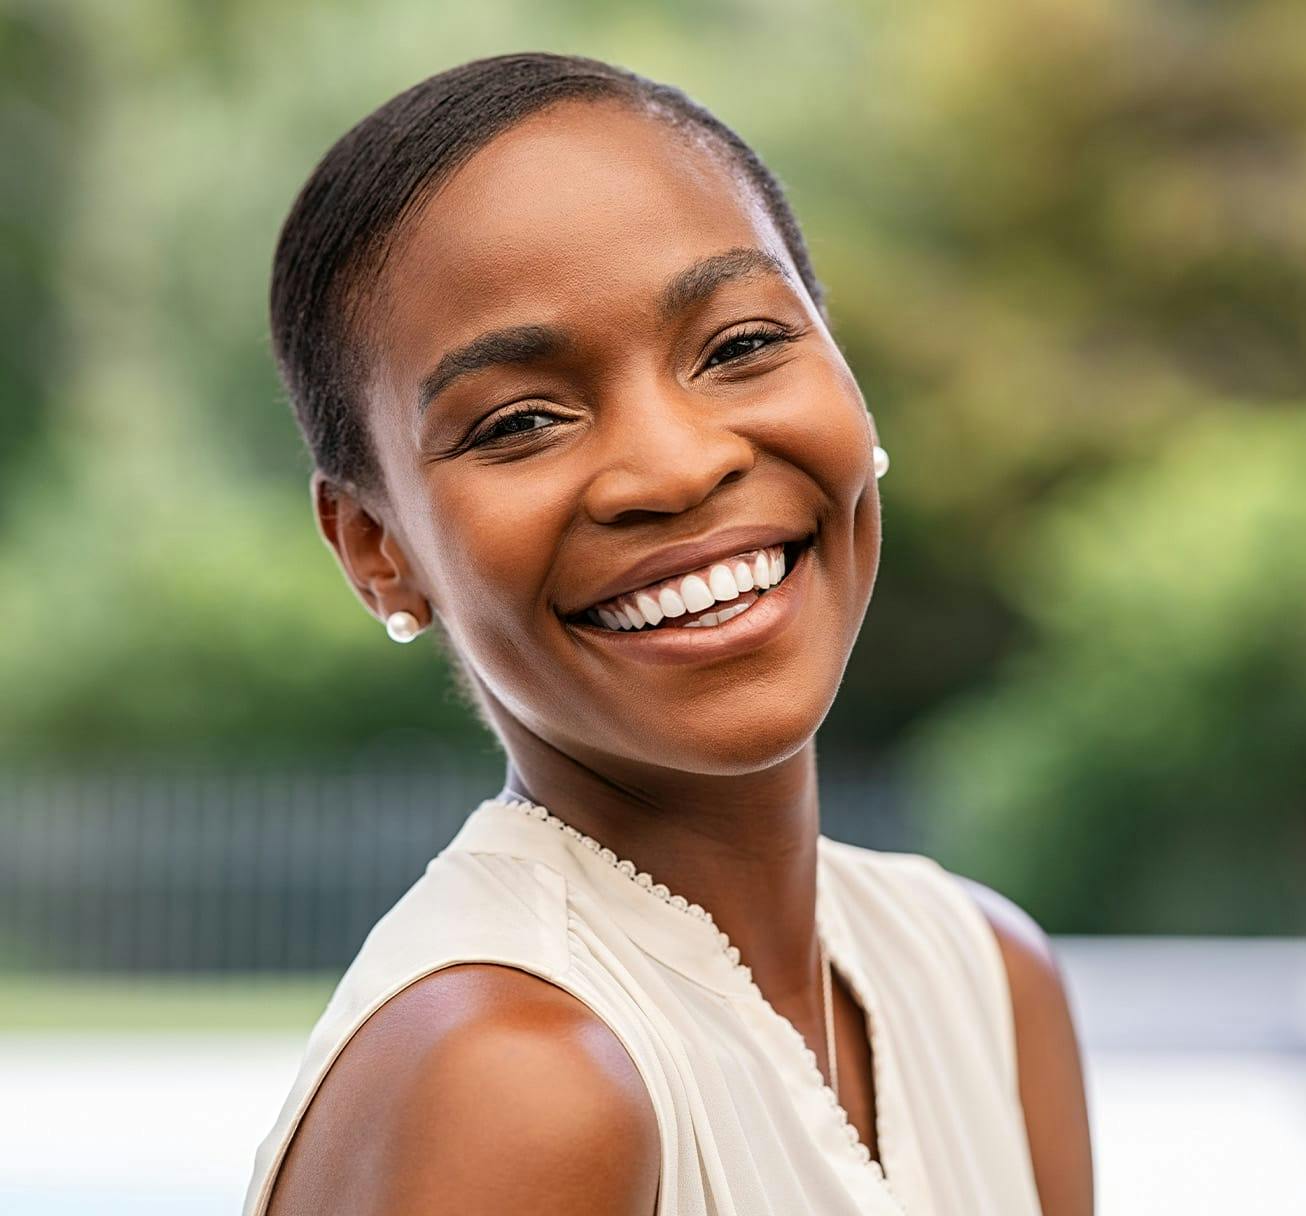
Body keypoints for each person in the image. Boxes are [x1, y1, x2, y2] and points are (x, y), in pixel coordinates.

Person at [242, 50, 1092, 1216]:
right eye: (519, 421)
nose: (676, 467)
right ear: (376, 547)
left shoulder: (982, 975)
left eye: (739, 346)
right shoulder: (512, 1079)